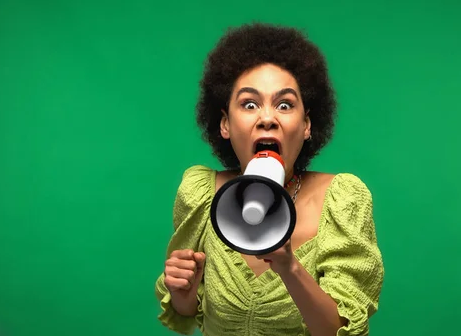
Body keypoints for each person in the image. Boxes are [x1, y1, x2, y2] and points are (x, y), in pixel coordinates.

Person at [154, 22, 385, 336]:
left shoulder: (342, 199)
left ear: (306, 125)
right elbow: (188, 310)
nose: (266, 118)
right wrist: (184, 291)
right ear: (225, 124)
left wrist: (289, 267)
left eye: (285, 105)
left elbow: (338, 331)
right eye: (249, 104)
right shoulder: (201, 194)